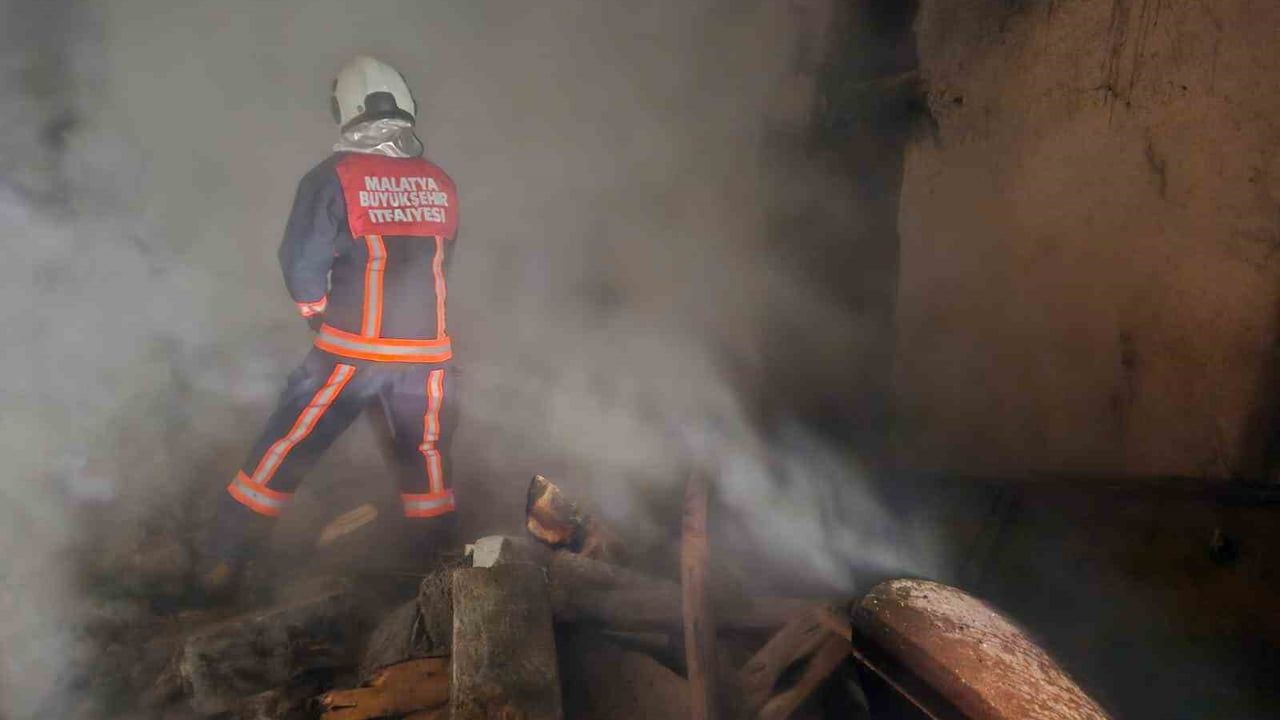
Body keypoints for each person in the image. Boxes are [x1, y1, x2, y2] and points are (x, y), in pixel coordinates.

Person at [200, 56, 460, 597]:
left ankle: (222, 566)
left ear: (345, 110)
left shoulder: (331, 178)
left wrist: (315, 312)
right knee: (426, 461)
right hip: (428, 358)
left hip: (351, 353)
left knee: (285, 446)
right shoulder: (439, 180)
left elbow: (301, 264)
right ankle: (439, 577)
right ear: (406, 106)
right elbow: (441, 262)